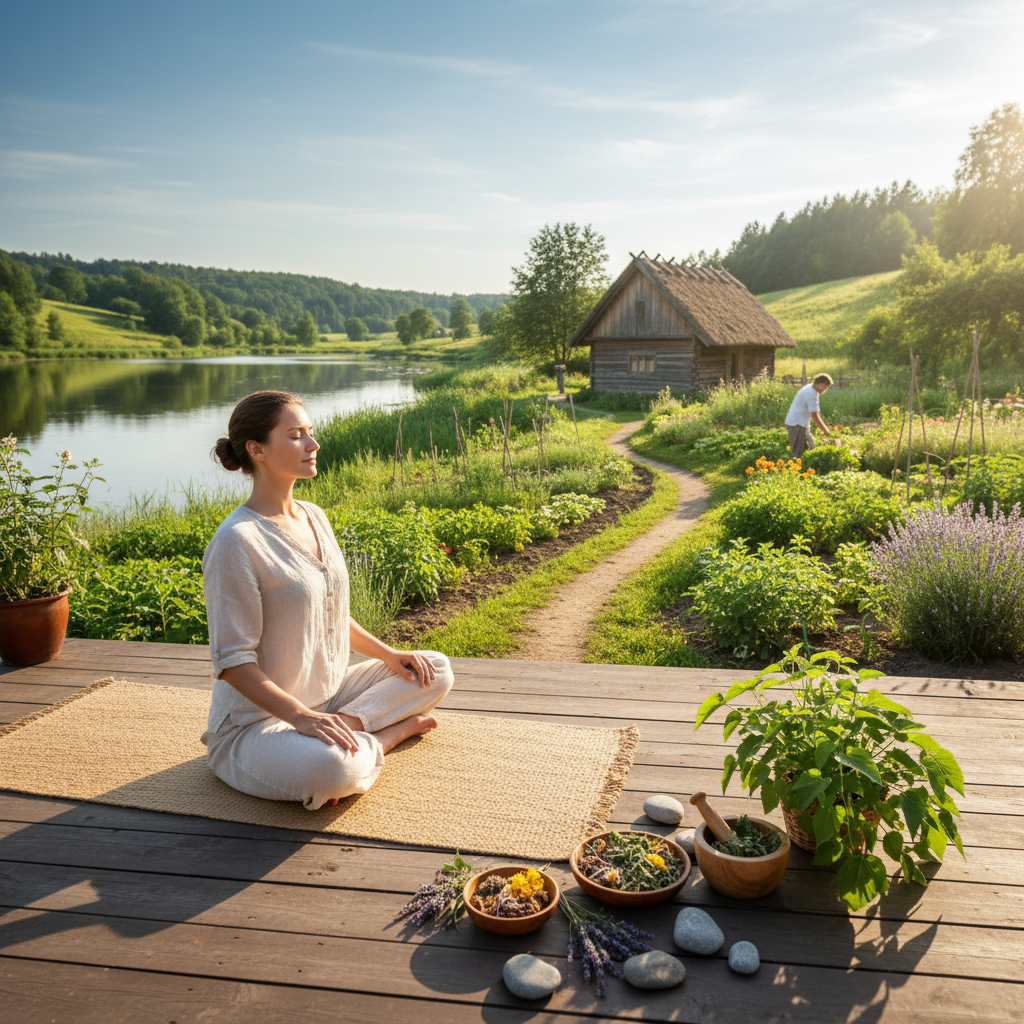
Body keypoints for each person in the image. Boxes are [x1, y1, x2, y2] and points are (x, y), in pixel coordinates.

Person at [202, 390, 454, 810]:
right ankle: (385, 736)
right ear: (257, 449)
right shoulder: (236, 541)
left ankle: (345, 731)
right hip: (256, 726)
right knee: (334, 771)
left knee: (435, 669)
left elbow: (332, 614)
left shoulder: (315, 515)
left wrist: (390, 655)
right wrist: (300, 718)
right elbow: (232, 662)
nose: (313, 445)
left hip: (330, 696)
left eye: (311, 433)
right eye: (296, 435)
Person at [784, 373, 833, 458]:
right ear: (820, 384)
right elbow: (815, 416)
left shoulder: (810, 388)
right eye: (826, 386)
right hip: (797, 424)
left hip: (800, 423)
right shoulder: (811, 394)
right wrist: (825, 430)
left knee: (810, 448)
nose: (825, 389)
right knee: (798, 452)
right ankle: (797, 468)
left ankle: (807, 467)